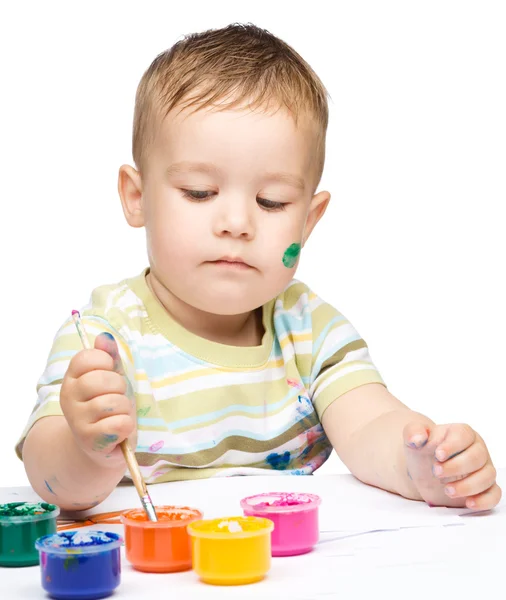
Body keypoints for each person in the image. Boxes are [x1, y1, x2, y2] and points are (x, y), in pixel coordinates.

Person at [18, 23, 500, 512]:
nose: (236, 223)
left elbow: (371, 427)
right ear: (137, 198)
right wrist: (86, 448)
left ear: (308, 220)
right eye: (200, 193)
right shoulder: (103, 337)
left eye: (271, 202)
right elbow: (51, 481)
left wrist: (423, 464)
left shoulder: (309, 330)